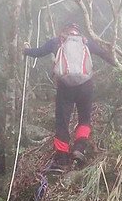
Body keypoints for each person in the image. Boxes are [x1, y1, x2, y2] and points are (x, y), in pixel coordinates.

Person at [23, 23, 114, 171]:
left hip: (65, 88)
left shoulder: (57, 41)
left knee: (62, 122)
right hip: (86, 86)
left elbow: (38, 52)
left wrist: (25, 50)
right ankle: (79, 148)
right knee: (84, 119)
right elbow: (105, 55)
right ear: (78, 32)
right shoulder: (86, 42)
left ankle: (62, 160)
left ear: (65, 31)